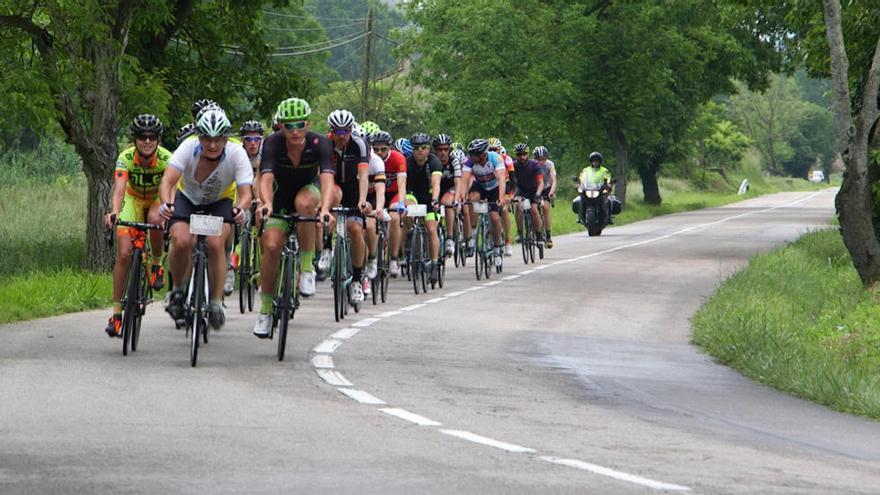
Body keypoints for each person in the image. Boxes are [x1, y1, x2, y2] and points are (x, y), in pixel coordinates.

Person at [158, 107, 253, 331]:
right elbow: (168, 181)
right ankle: (179, 290)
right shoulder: (188, 147)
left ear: (226, 138)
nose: (212, 145)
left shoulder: (237, 153)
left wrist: (240, 209)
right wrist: (166, 204)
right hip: (188, 198)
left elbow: (246, 192)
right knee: (181, 241)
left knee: (214, 243)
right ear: (199, 137)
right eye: (207, 139)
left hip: (219, 202)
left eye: (218, 139)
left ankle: (215, 302)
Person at [252, 97, 335, 338]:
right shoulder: (273, 143)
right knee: (271, 246)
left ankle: (307, 268)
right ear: (281, 126)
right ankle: (265, 311)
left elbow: (328, 179)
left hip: (310, 189)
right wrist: (266, 203)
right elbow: (265, 178)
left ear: (308, 124)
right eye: (289, 126)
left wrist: (326, 208)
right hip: (279, 196)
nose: (295, 131)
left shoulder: (320, 143)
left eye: (300, 124)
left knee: (305, 204)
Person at [102, 114, 171, 338]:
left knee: (155, 219)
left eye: (152, 137)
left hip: (155, 200)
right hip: (132, 199)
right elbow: (119, 190)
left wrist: (171, 209)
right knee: (124, 254)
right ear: (135, 139)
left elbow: (170, 188)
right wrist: (114, 212)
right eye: (142, 137)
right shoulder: (126, 157)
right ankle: (116, 314)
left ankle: (156, 265)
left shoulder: (166, 158)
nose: (147, 141)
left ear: (158, 139)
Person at [322, 110, 371, 303]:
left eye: (346, 132)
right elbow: (321, 174)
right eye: (337, 132)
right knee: (330, 208)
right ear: (331, 131)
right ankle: (326, 248)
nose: (342, 136)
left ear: (351, 130)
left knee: (355, 230)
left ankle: (358, 280)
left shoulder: (359, 144)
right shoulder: (325, 144)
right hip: (332, 185)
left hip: (353, 188)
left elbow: (364, 175)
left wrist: (362, 199)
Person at [405, 132, 444, 283]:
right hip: (413, 195)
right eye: (416, 148)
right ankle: (409, 235)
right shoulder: (407, 162)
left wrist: (435, 200)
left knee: (431, 228)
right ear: (412, 149)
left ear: (428, 149)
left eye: (423, 147)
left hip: (429, 198)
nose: (420, 150)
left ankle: (434, 263)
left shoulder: (435, 162)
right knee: (407, 209)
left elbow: (436, 183)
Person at [462, 138, 507, 266]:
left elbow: (501, 179)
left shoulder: (495, 158)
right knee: (472, 199)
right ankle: (474, 232)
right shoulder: (469, 161)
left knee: (494, 217)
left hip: (494, 188)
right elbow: (464, 181)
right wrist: (462, 197)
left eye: (473, 154)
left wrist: (501, 197)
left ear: (482, 154)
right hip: (480, 186)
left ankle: (498, 247)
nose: (471, 157)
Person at [370, 131, 408, 278]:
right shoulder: (370, 159)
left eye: (383, 149)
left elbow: (402, 183)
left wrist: (401, 203)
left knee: (395, 218)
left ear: (389, 148)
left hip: (393, 194)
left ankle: (393, 258)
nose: (379, 153)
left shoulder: (398, 158)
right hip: (376, 194)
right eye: (376, 149)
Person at [433, 133, 461, 258]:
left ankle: (450, 238)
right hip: (435, 189)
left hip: (450, 188)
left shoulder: (454, 161)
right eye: (440, 149)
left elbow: (458, 182)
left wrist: (457, 199)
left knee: (448, 203)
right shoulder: (431, 160)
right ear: (435, 150)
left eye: (446, 149)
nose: (443, 153)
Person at [511, 143, 545, 245]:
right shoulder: (514, 165)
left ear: (528, 154)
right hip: (521, 190)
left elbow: (540, 182)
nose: (522, 157)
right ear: (516, 155)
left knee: (534, 209)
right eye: (519, 155)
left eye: (524, 154)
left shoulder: (534, 165)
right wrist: (512, 195)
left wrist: (538, 193)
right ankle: (520, 232)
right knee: (518, 207)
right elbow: (511, 182)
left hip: (534, 190)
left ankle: (539, 235)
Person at [488, 137, 515, 257]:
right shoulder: (486, 159)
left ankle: (508, 241)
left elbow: (513, 180)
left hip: (506, 186)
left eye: (496, 149)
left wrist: (511, 195)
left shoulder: (506, 159)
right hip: (491, 187)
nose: (493, 152)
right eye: (491, 149)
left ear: (500, 150)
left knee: (504, 210)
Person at [573, 151, 613, 224]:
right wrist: (578, 184)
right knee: (579, 200)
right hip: (588, 189)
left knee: (608, 200)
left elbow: (608, 178)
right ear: (591, 161)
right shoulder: (586, 170)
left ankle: (609, 217)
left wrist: (608, 184)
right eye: (593, 161)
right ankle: (579, 216)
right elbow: (581, 178)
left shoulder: (604, 170)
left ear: (600, 161)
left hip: (599, 189)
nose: (595, 162)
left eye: (597, 161)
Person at [533, 145, 557, 248]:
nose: (541, 162)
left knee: (546, 208)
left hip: (546, 188)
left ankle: (548, 236)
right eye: (539, 160)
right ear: (534, 159)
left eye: (543, 159)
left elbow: (553, 180)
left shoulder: (550, 165)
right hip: (534, 188)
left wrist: (551, 193)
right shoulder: (532, 165)